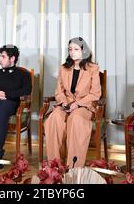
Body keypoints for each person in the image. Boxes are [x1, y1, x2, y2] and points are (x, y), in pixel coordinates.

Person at [44, 37, 101, 168]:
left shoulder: (93, 68)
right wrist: (64, 103)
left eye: (76, 49)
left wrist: (78, 104)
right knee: (54, 118)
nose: (72, 52)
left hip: (84, 106)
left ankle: (73, 167)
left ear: (84, 50)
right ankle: (55, 165)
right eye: (70, 49)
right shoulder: (64, 68)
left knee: (75, 119)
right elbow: (59, 92)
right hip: (66, 105)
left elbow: (95, 93)